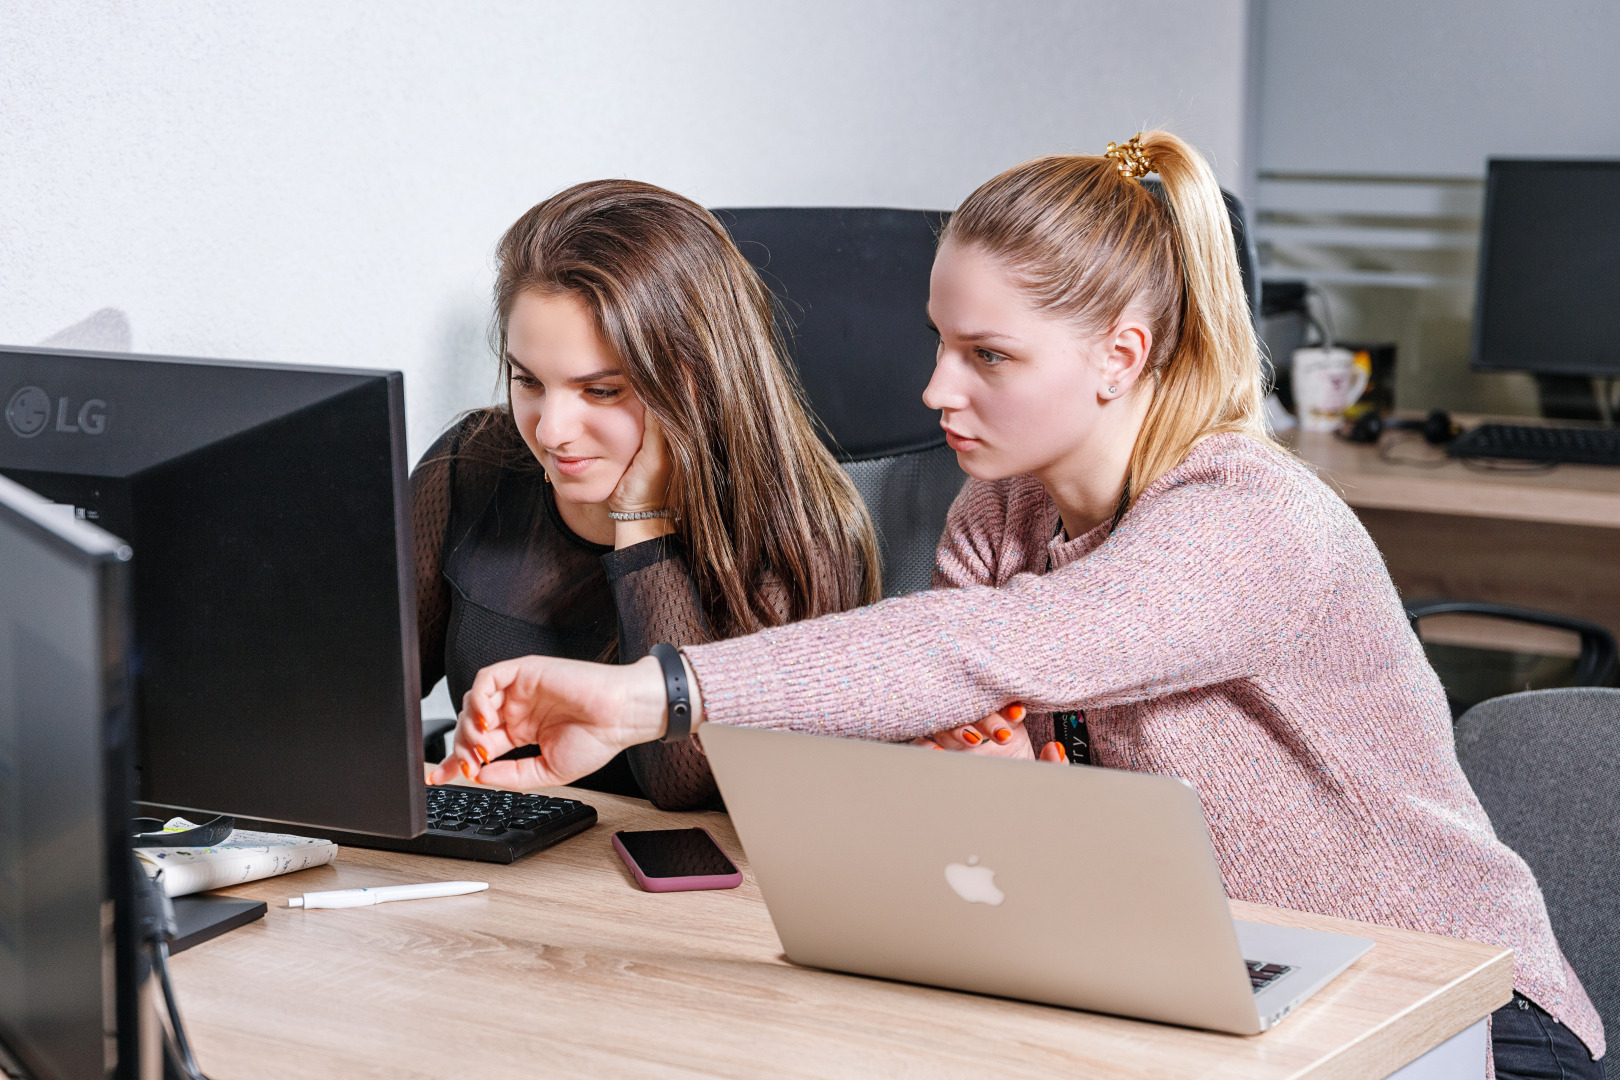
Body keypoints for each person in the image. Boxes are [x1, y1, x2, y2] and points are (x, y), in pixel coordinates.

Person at [431, 135, 1603, 1077]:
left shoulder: (1251, 515)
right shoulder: (999, 520)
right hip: (1204, 996)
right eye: (940, 343)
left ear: (1120, 355)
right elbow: (972, 739)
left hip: (1455, 1015)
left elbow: (997, 648)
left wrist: (658, 695)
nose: (937, 387)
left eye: (988, 355)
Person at [413, 178, 879, 810]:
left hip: (668, 897)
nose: (551, 431)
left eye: (601, 391)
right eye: (529, 380)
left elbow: (685, 785)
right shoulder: (475, 462)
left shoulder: (799, 535)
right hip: (502, 873)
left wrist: (641, 522)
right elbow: (353, 693)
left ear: (694, 382)